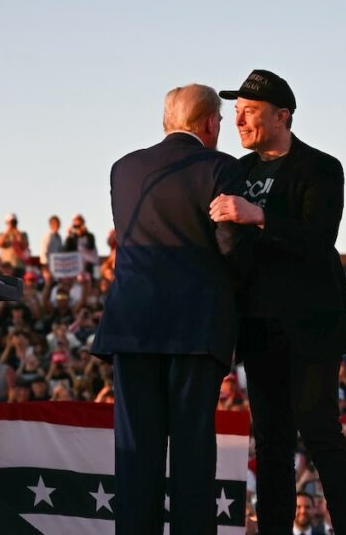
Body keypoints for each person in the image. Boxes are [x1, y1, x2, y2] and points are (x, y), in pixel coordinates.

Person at [210, 69, 346, 535]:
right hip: (258, 326)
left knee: (321, 436)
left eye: (250, 112)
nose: (239, 120)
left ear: (283, 116)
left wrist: (258, 215)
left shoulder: (321, 167)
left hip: (310, 325)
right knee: (274, 444)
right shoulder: (237, 171)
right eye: (235, 112)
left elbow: (319, 239)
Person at [90, 83, 247, 534]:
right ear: (211, 123)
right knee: (192, 458)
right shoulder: (221, 168)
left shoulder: (124, 170)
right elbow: (232, 247)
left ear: (166, 122)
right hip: (195, 332)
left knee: (136, 455)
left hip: (132, 327)